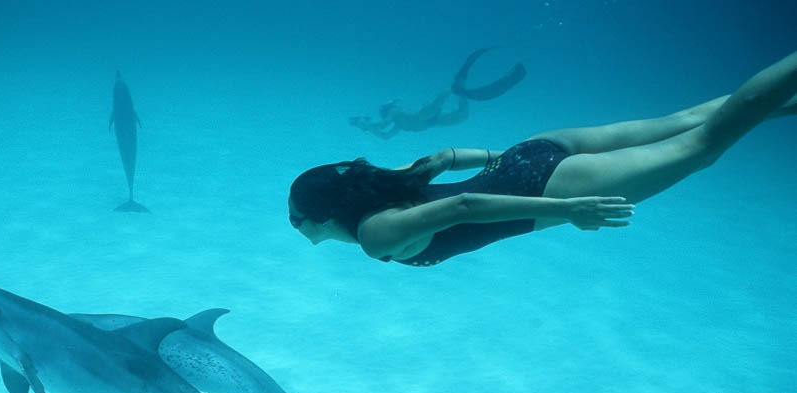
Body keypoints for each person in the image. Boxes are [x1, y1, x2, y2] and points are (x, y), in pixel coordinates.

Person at [289, 50, 797, 267]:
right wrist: (505, 157)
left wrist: (567, 210)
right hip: (534, 154)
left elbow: (463, 207)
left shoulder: (373, 236)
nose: (294, 225)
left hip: (552, 187)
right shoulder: (382, 183)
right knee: (689, 118)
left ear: (320, 213)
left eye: (295, 218)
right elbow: (443, 156)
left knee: (703, 144)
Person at [348, 48, 523, 140]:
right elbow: (383, 131)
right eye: (393, 104)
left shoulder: (398, 120)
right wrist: (364, 124)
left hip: (426, 119)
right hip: (431, 121)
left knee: (448, 104)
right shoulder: (395, 115)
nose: (396, 105)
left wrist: (364, 125)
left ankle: (455, 88)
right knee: (464, 114)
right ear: (388, 108)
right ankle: (458, 88)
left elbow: (383, 132)